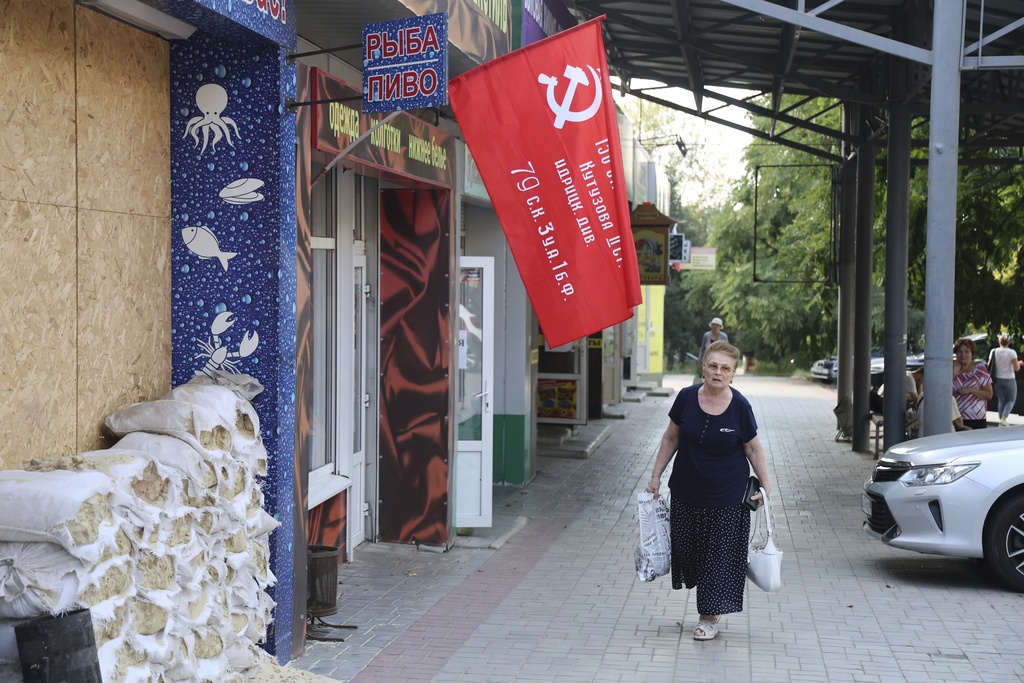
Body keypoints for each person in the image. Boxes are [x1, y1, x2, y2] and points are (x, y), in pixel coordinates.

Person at [645, 340, 772, 642]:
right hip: (686, 492)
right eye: (713, 366)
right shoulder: (686, 398)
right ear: (703, 367)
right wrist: (655, 477)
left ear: (733, 374)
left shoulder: (740, 406)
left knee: (717, 559)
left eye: (725, 368)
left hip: (727, 498)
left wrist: (766, 488)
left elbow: (753, 448)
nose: (718, 372)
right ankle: (707, 600)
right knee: (688, 554)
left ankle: (708, 618)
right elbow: (671, 438)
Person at [952, 337, 993, 429]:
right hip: (955, 418)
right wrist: (954, 375)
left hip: (976, 419)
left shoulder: (980, 369)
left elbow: (989, 394)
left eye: (967, 352)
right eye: (960, 351)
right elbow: (942, 393)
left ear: (972, 354)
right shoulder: (951, 368)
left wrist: (971, 390)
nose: (963, 355)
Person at [987, 335, 1020, 425]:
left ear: (999, 342)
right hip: (1009, 379)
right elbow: (1016, 368)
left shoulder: (994, 351)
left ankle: (1001, 420)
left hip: (997, 378)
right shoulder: (1012, 352)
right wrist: (1019, 364)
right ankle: (1004, 418)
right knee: (1011, 400)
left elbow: (989, 364)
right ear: (1008, 342)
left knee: (1001, 400)